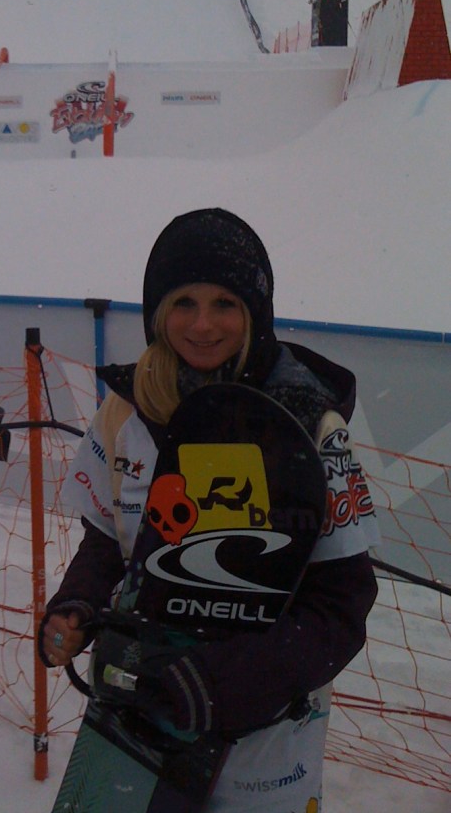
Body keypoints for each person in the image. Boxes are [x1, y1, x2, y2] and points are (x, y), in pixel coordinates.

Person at [39, 208, 379, 812]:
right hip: (142, 713)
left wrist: (225, 681)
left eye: (224, 303)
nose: (202, 324)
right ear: (157, 313)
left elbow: (341, 608)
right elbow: (108, 540)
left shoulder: (309, 423)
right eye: (183, 303)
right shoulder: (126, 412)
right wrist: (78, 605)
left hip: (264, 745)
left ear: (255, 313)